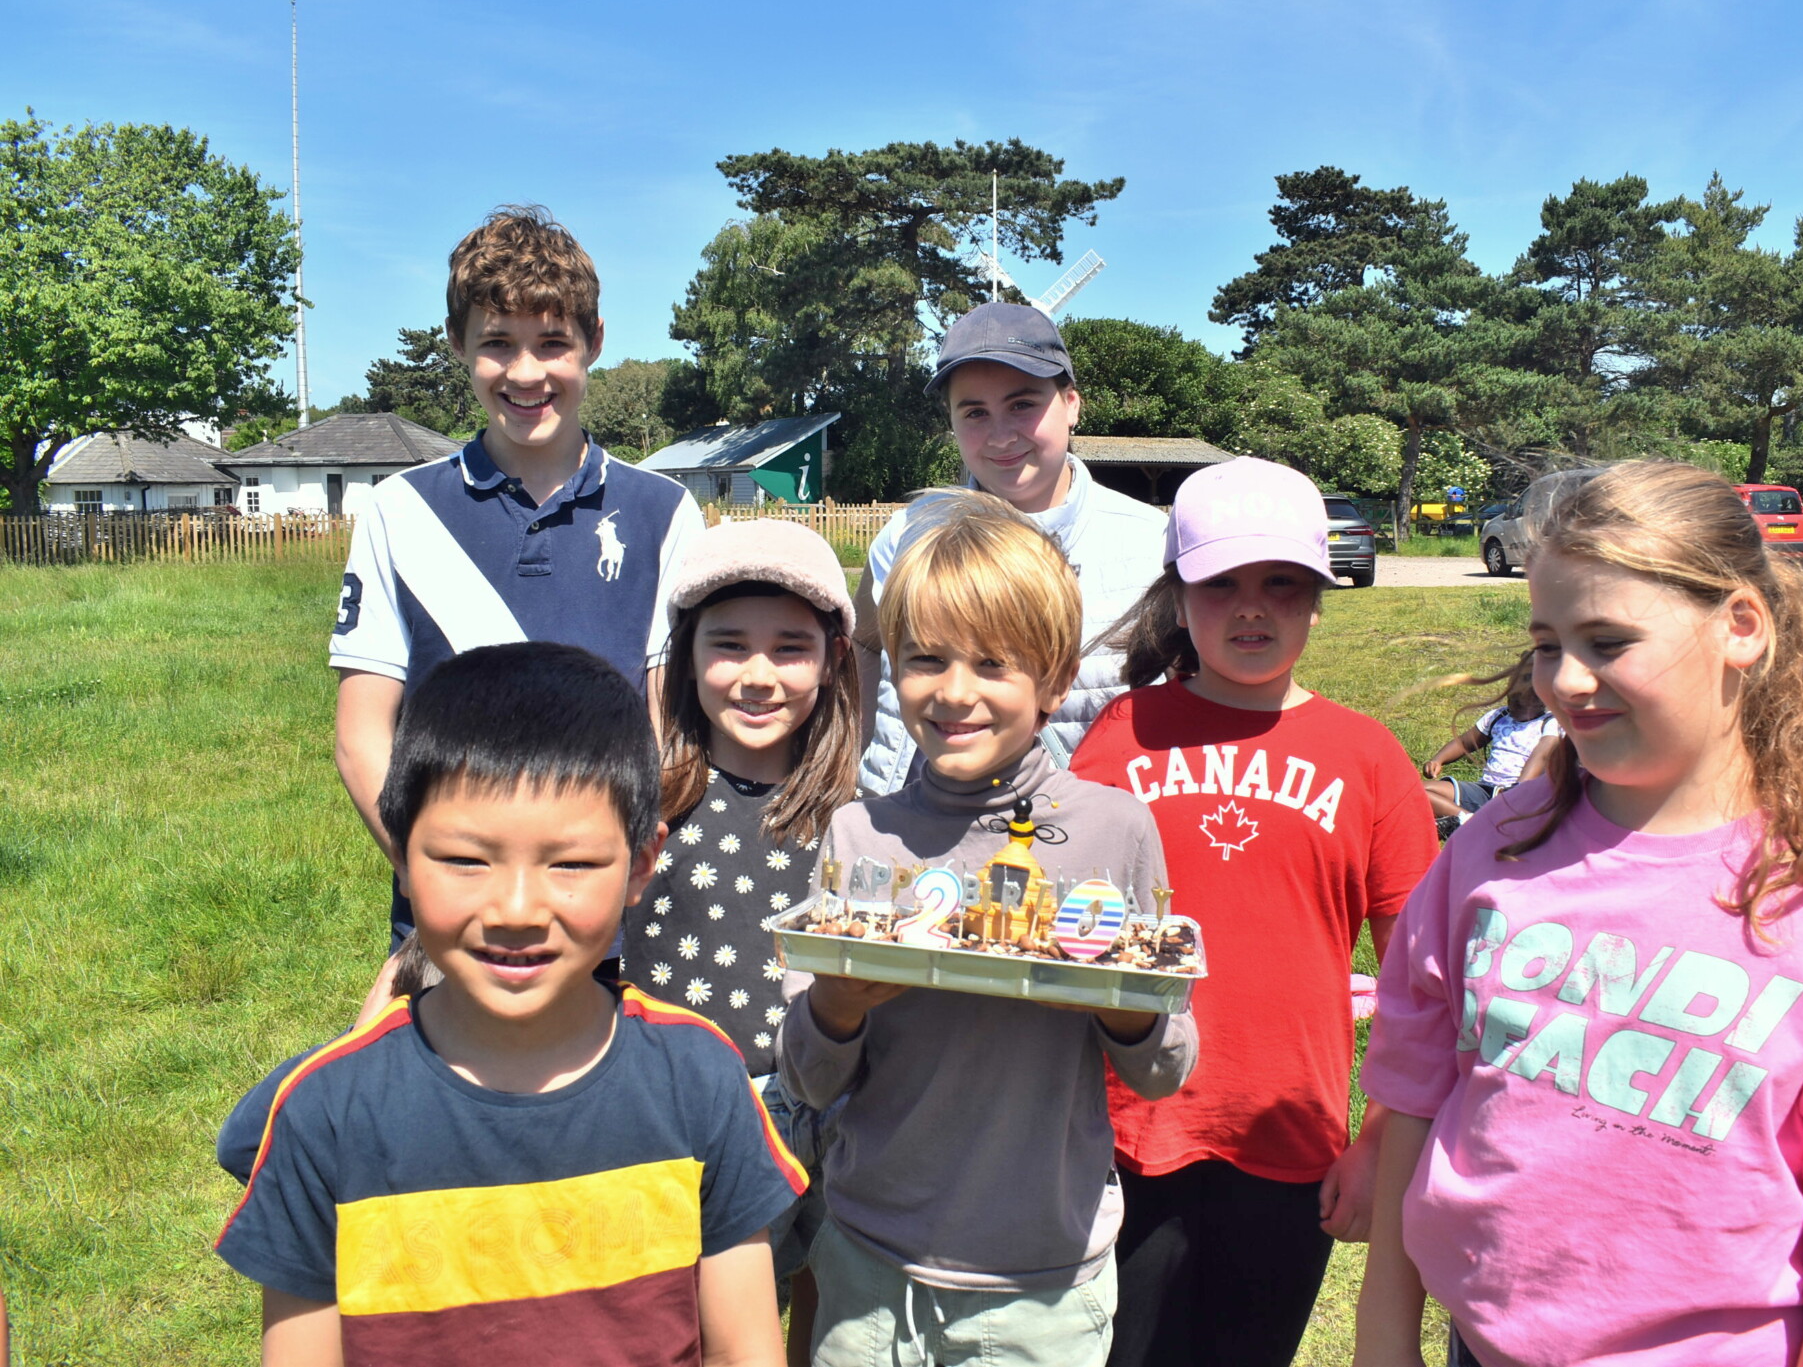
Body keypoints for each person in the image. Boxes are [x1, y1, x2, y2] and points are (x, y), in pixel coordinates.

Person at [1355, 462, 1803, 1367]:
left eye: (1609, 641)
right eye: (1547, 644)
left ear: (1741, 626)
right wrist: (1383, 1338)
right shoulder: (1498, 843)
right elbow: (1415, 1091)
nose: (1567, 681)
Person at [215, 643, 801, 1365]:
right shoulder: (325, 1114)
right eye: (465, 860)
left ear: (642, 863)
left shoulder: (702, 1079)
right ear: (400, 855)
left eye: (571, 864)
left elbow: (745, 1349)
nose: (517, 910)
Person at [780, 491, 1198, 1367]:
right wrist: (838, 1005)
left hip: (1039, 1279)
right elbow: (810, 1078)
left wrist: (1121, 1000)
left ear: (1055, 680)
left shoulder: (1113, 830)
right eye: (926, 658)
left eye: (993, 663)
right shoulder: (862, 836)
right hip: (870, 1261)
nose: (954, 692)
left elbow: (1162, 1068)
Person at [1069, 457, 1438, 1367]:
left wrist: (1378, 1142)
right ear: (1177, 595)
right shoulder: (1122, 733)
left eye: (1282, 584)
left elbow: (1421, 981)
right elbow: (1069, 927)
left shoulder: (1368, 756)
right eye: (1220, 584)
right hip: (1125, 1129)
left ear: (1319, 598)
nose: (1251, 609)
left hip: (1287, 1132)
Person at [330, 205, 704, 951]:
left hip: (606, 928)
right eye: (498, 343)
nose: (527, 373)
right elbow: (361, 734)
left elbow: (673, 734)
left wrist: (593, 884)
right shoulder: (400, 509)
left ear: (595, 342)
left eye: (553, 343)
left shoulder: (664, 511)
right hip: (452, 926)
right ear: (458, 343)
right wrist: (437, 877)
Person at [621, 518, 860, 1365]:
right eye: (729, 645)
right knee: (707, 1328)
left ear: (832, 658)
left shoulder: (861, 816)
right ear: (687, 655)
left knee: (826, 1312)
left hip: (840, 1109)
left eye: (790, 648)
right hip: (689, 1115)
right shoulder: (643, 797)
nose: (759, 675)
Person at [854, 301, 1165, 793]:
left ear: (1071, 403)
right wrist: (859, 763)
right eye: (975, 412)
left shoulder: (1152, 546)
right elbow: (864, 645)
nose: (1000, 436)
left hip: (1086, 828)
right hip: (913, 822)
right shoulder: (906, 533)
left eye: (1022, 405)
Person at [1418, 650, 1561, 825]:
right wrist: (1438, 760)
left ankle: (1466, 820)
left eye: (1521, 700)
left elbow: (1542, 754)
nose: (1513, 704)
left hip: (1519, 797)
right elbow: (1465, 742)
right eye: (1511, 697)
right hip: (1485, 789)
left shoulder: (1550, 723)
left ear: (1544, 698)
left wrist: (1518, 789)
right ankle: (1471, 820)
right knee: (1418, 790)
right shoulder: (1499, 716)